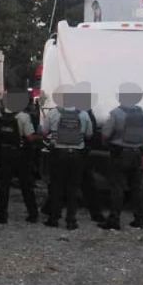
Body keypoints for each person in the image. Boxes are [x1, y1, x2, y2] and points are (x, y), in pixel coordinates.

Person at [100, 82, 143, 230]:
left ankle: (114, 220)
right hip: (137, 155)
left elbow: (105, 135)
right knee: (137, 188)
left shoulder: (116, 114)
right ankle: (139, 220)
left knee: (117, 188)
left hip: (119, 154)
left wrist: (107, 144)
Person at [40, 85, 93, 230]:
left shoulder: (53, 113)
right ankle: (71, 220)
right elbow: (89, 134)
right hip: (77, 155)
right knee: (73, 188)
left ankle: (54, 218)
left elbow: (44, 132)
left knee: (57, 187)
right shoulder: (83, 114)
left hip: (58, 153)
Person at [0, 89, 40, 224]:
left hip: (3, 153)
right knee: (26, 185)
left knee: (4, 185)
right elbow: (29, 138)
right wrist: (40, 136)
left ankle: (2, 216)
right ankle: (32, 214)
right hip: (20, 154)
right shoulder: (23, 117)